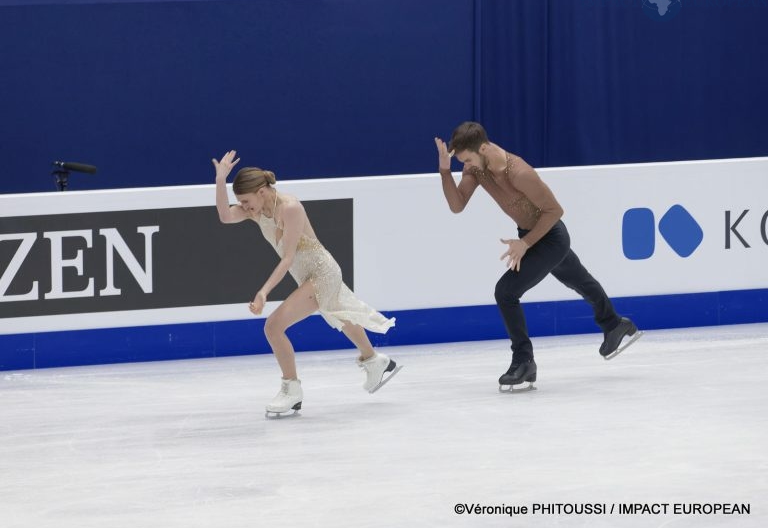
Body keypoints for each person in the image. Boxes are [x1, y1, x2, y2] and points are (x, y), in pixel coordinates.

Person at [435, 122, 641, 391]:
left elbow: (555, 211)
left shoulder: (519, 172)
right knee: (579, 279)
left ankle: (524, 361)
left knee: (505, 292)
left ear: (483, 148)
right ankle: (614, 324)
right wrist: (444, 170)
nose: (468, 165)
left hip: (550, 237)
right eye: (463, 161)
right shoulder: (476, 166)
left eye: (468, 159)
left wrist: (525, 243)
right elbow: (457, 205)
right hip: (529, 234)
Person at [213, 150, 401, 416]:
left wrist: (264, 292)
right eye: (240, 202)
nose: (243, 207)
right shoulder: (255, 212)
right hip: (308, 275)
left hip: (322, 273)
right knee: (342, 316)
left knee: (273, 326)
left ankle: (291, 391)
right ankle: (374, 361)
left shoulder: (290, 208)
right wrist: (220, 179)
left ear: (262, 191)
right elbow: (224, 215)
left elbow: (288, 258)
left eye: (245, 201)